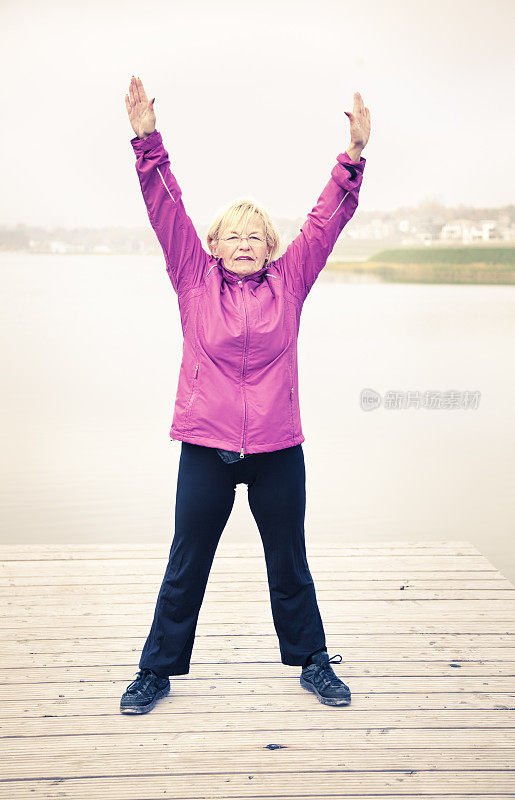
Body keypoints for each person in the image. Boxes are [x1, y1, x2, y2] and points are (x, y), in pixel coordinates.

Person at [120, 76, 370, 714]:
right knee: (187, 564)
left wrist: (353, 160)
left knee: (290, 561)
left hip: (278, 447)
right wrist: (147, 139)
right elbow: (165, 205)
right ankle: (157, 671)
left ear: (270, 248)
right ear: (213, 245)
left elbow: (324, 221)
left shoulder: (292, 281)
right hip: (206, 445)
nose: (242, 243)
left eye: (254, 236)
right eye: (231, 235)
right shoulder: (193, 280)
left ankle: (313, 663)